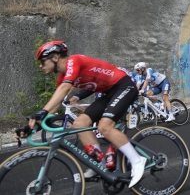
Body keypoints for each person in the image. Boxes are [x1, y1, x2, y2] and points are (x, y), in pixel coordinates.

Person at [18, 41, 146, 187]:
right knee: (79, 123)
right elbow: (55, 105)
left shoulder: (73, 60)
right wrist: (32, 126)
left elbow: (65, 88)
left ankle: (137, 161)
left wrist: (42, 112)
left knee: (104, 127)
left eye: (42, 61)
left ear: (55, 57)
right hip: (108, 93)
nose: (40, 65)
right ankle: (101, 165)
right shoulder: (62, 77)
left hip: (124, 86)